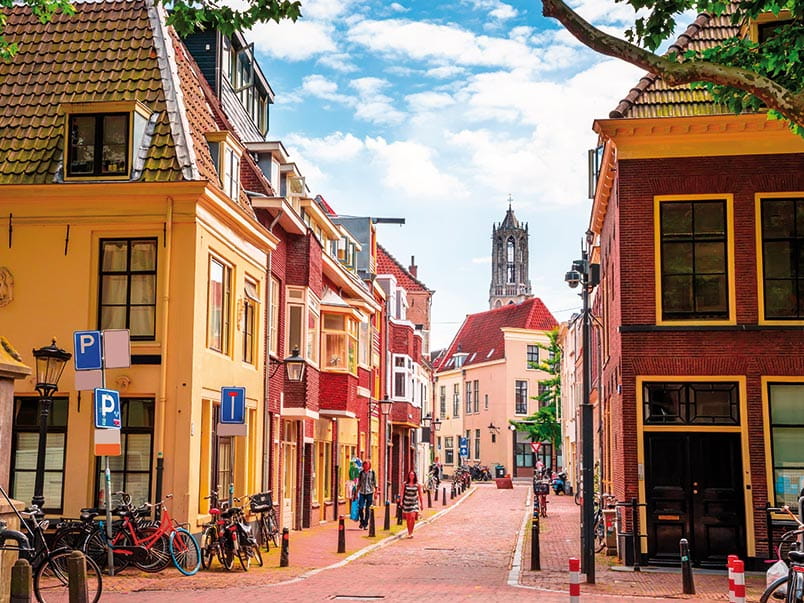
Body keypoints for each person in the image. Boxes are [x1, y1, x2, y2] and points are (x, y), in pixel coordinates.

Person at [401, 470, 424, 538]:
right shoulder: (405, 484)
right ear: (408, 476)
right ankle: (409, 532)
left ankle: (411, 532)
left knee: (413, 517)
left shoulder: (418, 485)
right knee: (408, 518)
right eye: (410, 475)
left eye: (413, 475)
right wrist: (401, 501)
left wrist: (422, 504)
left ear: (415, 476)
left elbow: (420, 495)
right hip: (407, 502)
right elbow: (402, 493)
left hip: (414, 503)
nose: (411, 476)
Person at [356, 460, 376, 529]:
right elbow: (359, 483)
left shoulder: (372, 473)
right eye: (364, 465)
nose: (365, 466)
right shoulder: (361, 473)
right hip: (362, 492)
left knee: (368, 509)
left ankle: (365, 524)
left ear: (369, 465)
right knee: (360, 507)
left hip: (369, 492)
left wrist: (376, 493)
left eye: (367, 465)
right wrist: (356, 493)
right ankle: (362, 522)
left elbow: (374, 483)